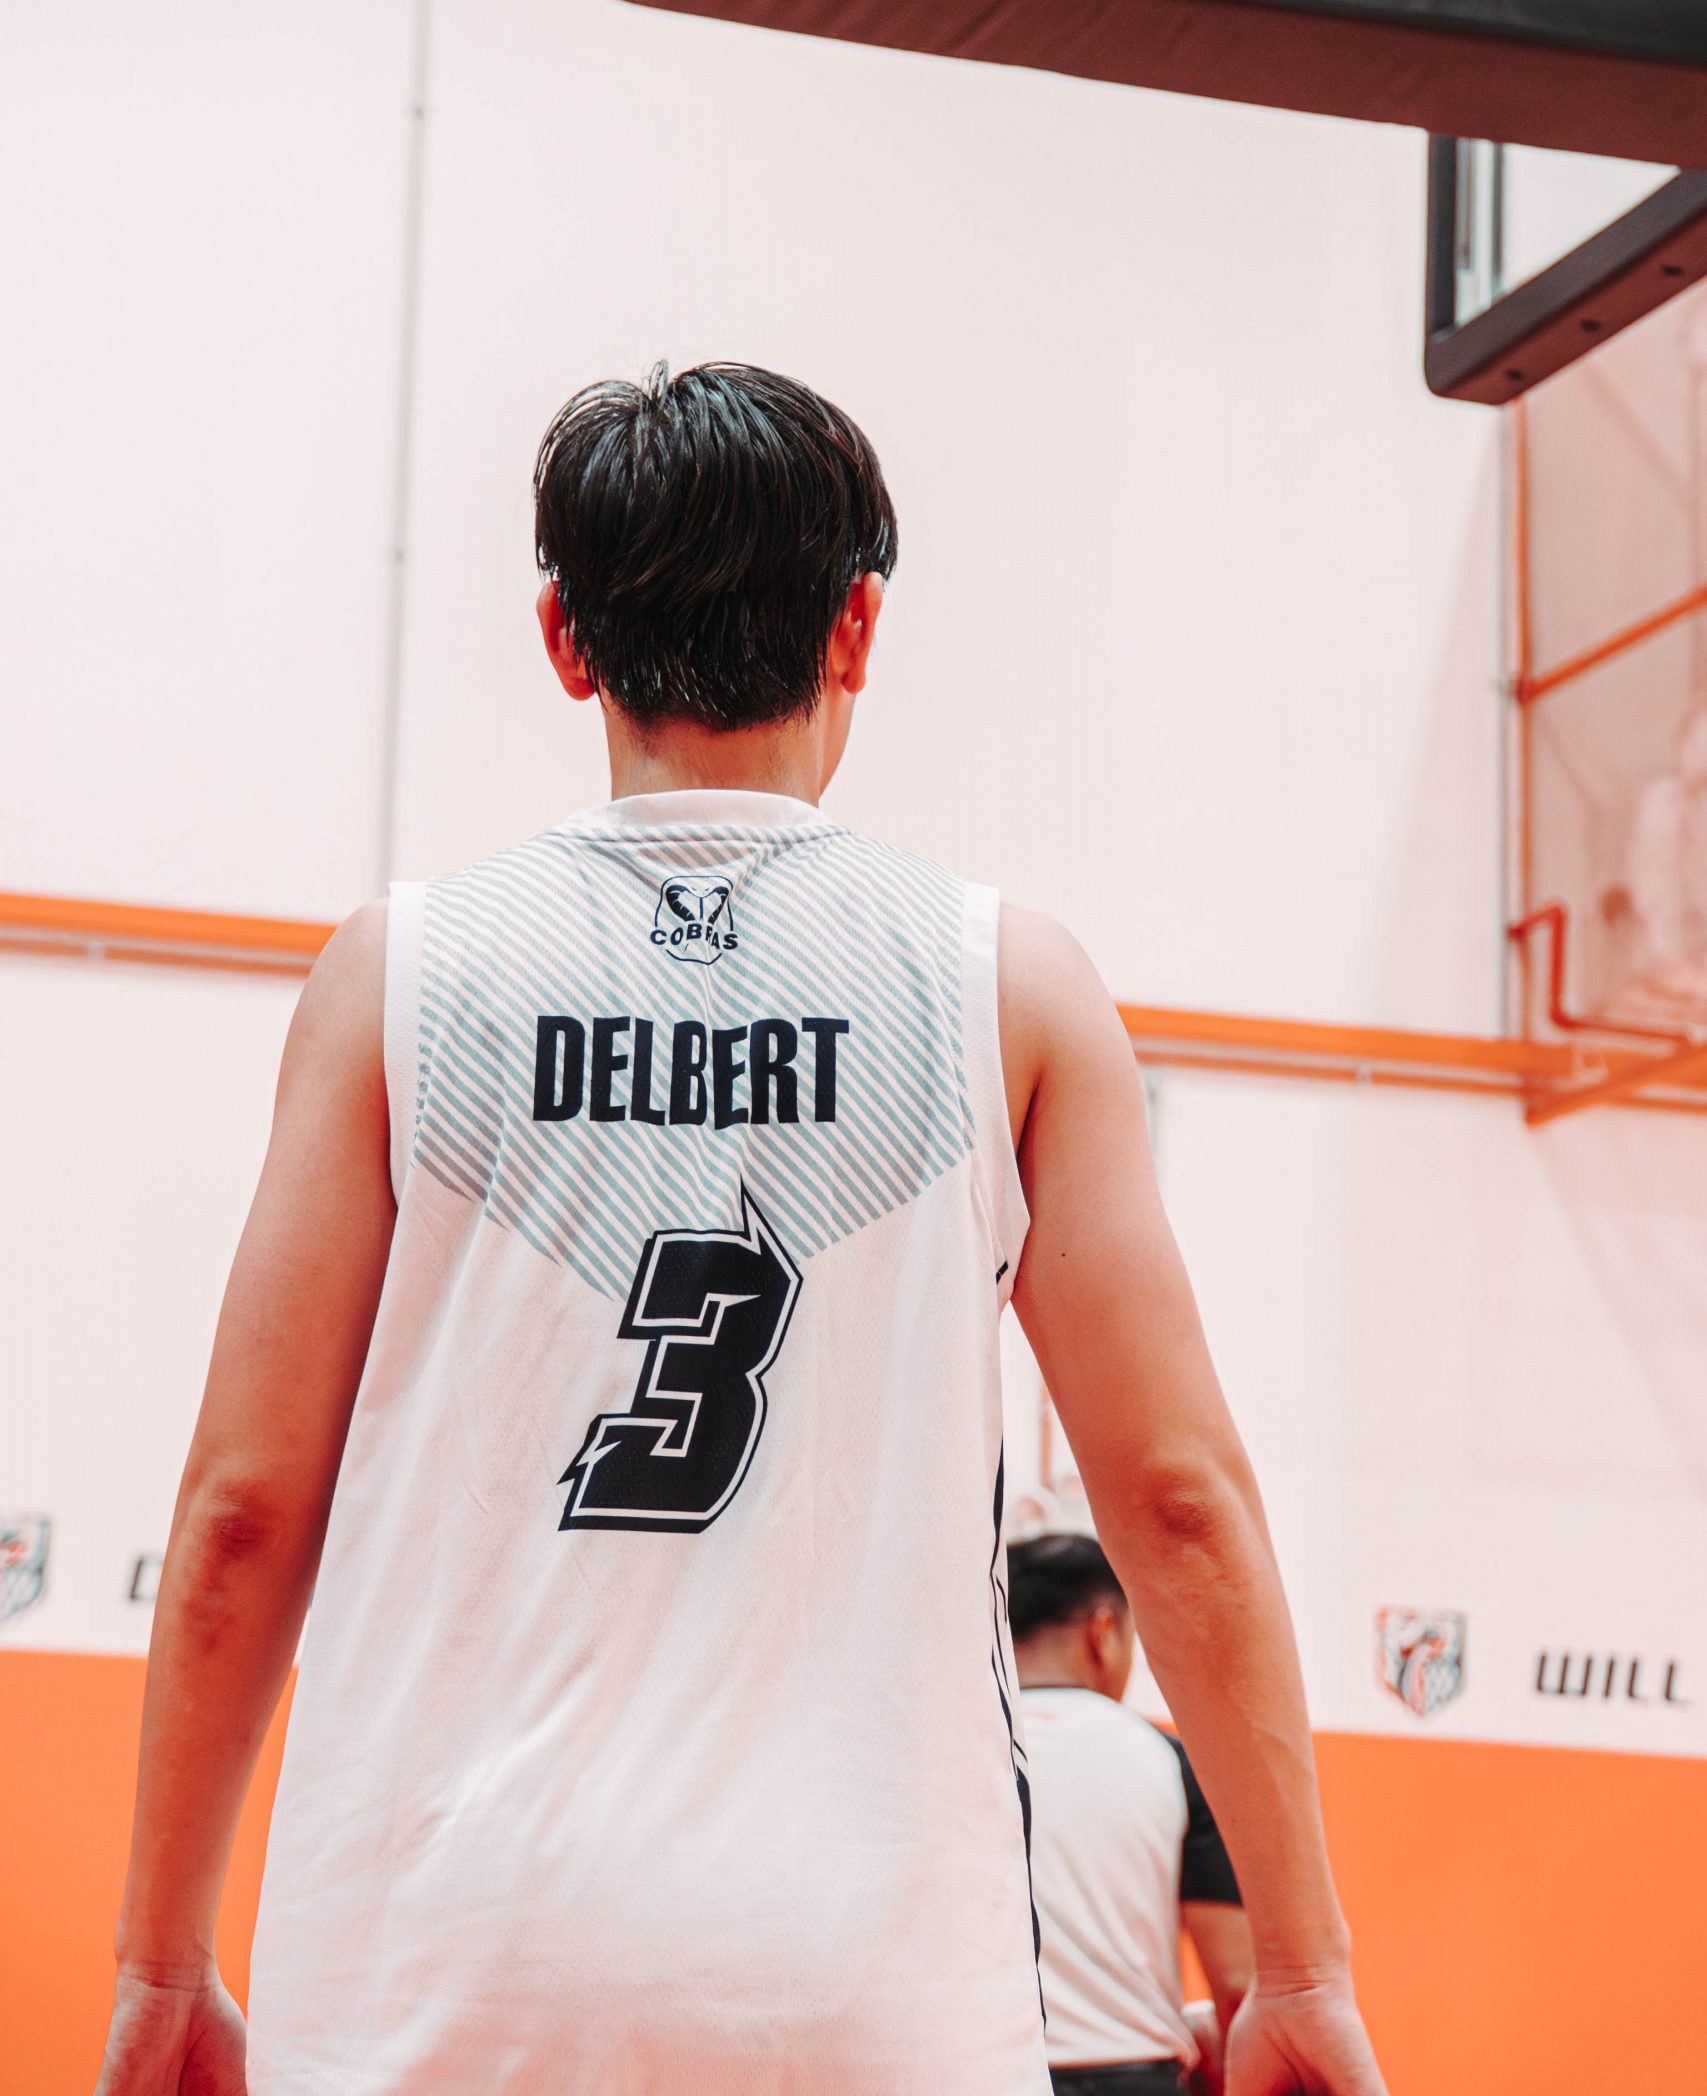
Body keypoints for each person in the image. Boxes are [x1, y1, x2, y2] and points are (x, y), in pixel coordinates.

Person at [93, 361, 1386, 2096]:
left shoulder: (395, 980)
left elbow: (245, 1515)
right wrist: (1296, 1965)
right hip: (867, 1982)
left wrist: (161, 1955)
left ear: (564, 639)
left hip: (432, 1962)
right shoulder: (1005, 986)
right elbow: (1175, 1503)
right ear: (858, 626)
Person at [1010, 1534, 1253, 2096]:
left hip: (986, 2072)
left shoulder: (950, 1754)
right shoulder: (1171, 1760)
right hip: (1136, 2077)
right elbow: (1238, 1985)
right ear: (1103, 1631)